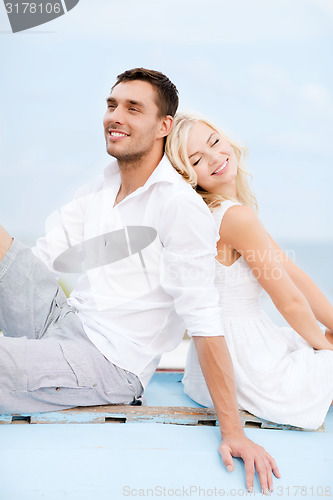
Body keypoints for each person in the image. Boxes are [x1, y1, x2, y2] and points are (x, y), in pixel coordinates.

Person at [0, 69, 279, 494]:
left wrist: (233, 432)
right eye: (112, 105)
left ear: (163, 126)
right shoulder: (102, 185)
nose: (117, 116)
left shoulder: (178, 207)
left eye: (134, 108)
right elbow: (44, 259)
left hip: (109, 362)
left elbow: (204, 321)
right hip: (65, 320)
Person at [165, 112, 333, 432]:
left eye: (215, 142)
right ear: (187, 175)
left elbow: (289, 269)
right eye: (198, 159)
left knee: (324, 335)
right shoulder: (236, 217)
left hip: (213, 363)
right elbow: (290, 302)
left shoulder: (217, 211)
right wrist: (327, 347)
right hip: (246, 365)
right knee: (322, 345)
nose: (215, 157)